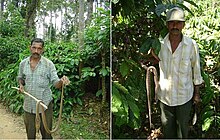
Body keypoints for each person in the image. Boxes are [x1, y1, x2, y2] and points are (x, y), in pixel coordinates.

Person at [157, 7, 203, 138]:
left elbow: (196, 70)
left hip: (184, 96)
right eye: (171, 22)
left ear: (183, 25)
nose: (175, 26)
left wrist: (197, 94)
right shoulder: (159, 44)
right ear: (167, 25)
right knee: (167, 130)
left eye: (178, 22)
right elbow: (148, 60)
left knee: (183, 131)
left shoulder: (191, 45)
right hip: (165, 97)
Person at [17, 38, 69, 139]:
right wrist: (21, 85)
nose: (36, 51)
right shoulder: (23, 64)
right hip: (28, 105)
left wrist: (62, 81)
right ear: (30, 48)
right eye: (34, 48)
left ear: (42, 49)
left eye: (39, 48)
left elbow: (55, 83)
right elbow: (20, 77)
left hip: (44, 106)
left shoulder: (48, 64)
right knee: (30, 135)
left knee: (47, 135)